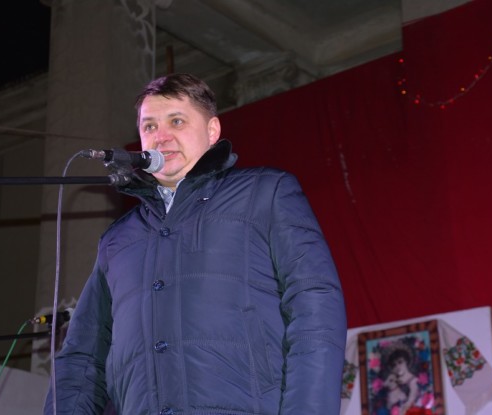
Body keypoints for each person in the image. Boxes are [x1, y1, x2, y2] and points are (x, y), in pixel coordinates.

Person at [44, 73, 347, 415]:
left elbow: (315, 307)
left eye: (177, 121)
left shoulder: (266, 193)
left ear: (212, 131)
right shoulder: (118, 240)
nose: (161, 137)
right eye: (149, 126)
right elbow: (82, 359)